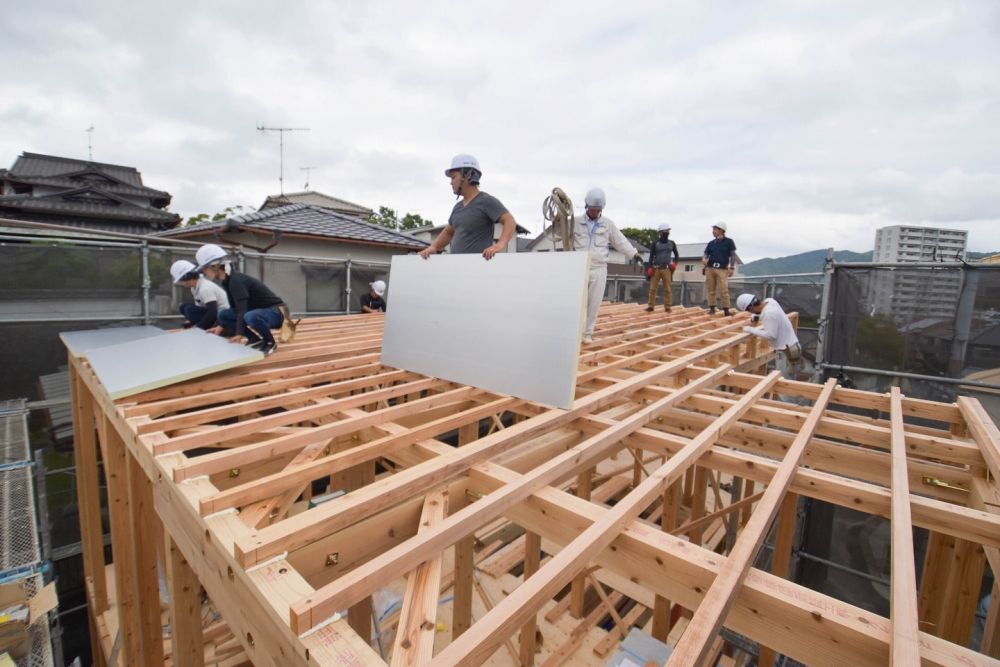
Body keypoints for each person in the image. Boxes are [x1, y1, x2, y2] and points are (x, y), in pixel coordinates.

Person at [573, 187, 643, 344]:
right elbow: (559, 235)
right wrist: (559, 221)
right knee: (577, 302)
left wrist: (634, 254)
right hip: (579, 267)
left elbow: (620, 241)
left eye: (597, 210)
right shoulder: (575, 223)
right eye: (592, 209)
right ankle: (575, 332)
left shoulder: (607, 224)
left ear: (601, 209)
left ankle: (587, 333)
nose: (594, 212)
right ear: (586, 206)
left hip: (598, 267)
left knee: (594, 302)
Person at [418, 154, 518, 260]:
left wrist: (499, 245)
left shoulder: (486, 201)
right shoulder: (458, 207)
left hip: (477, 269)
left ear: (468, 175)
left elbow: (509, 221)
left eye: (453, 177)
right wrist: (434, 247)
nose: (451, 182)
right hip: (458, 267)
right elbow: (448, 232)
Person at [195, 244, 286, 356]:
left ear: (215, 266)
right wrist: (220, 326)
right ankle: (254, 339)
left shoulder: (235, 281)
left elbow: (241, 310)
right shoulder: (227, 280)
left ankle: (270, 342)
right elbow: (235, 308)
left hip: (277, 312)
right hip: (261, 311)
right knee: (223, 315)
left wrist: (239, 334)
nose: (203, 272)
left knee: (250, 316)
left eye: (204, 268)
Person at [736, 293, 802, 379]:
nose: (750, 312)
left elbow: (771, 335)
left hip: (786, 351)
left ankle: (786, 393)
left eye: (749, 311)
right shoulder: (770, 301)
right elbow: (759, 311)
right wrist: (754, 317)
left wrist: (749, 329)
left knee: (784, 382)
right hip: (794, 347)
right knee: (791, 376)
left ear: (751, 307)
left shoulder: (769, 314)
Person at [170, 259, 230, 330]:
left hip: (221, 318)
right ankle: (202, 324)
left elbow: (212, 311)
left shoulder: (205, 288)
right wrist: (192, 322)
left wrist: (198, 327)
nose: (182, 283)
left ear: (188, 277)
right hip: (214, 314)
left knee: (189, 310)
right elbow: (200, 307)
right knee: (183, 307)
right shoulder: (194, 288)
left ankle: (209, 326)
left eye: (181, 280)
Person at [702, 222, 737, 315]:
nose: (713, 231)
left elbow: (733, 255)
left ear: (721, 230)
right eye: (713, 229)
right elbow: (706, 253)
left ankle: (726, 310)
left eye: (715, 229)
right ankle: (712, 308)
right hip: (710, 268)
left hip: (722, 269)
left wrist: (732, 267)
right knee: (710, 289)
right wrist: (704, 258)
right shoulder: (711, 243)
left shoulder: (729, 242)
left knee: (723, 290)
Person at [645, 223, 679, 313]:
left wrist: (675, 263)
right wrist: (649, 268)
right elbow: (651, 257)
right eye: (665, 231)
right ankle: (650, 306)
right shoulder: (655, 244)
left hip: (667, 269)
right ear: (660, 232)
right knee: (652, 289)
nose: (667, 232)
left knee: (667, 288)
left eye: (668, 231)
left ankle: (668, 307)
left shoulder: (672, 243)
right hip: (656, 268)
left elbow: (677, 255)